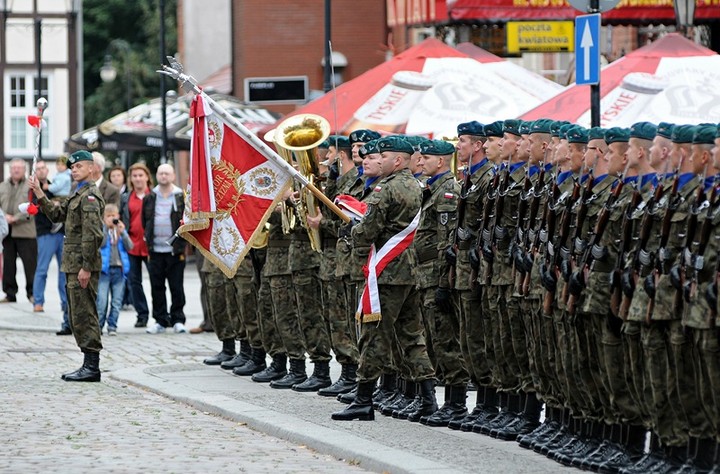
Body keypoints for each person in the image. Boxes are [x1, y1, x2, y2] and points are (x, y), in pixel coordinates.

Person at [332, 135, 436, 422]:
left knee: (373, 335)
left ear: (398, 160)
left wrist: (351, 233)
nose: (378, 160)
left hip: (386, 273)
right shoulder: (416, 186)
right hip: (409, 270)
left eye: (384, 156)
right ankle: (428, 399)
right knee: (412, 336)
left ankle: (363, 399)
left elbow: (368, 230)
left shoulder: (385, 189)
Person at [28, 150, 105, 382]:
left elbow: (93, 236)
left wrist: (87, 267)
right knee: (77, 314)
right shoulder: (77, 194)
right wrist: (40, 193)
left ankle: (92, 366)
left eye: (79, 166)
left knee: (85, 314)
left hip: (81, 265)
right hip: (72, 264)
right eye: (72, 167)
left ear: (92, 169)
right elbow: (57, 214)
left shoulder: (90, 197)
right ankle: (87, 363)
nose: (74, 170)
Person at [142, 163, 188, 334]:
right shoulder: (150, 197)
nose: (163, 176)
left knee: (177, 286)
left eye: (167, 173)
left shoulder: (180, 196)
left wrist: (182, 244)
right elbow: (144, 221)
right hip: (155, 250)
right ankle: (160, 320)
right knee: (157, 286)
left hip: (175, 250)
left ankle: (178, 319)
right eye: (160, 173)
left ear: (173, 176)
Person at [31, 160, 68, 330]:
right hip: (45, 233)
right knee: (42, 269)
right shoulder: (33, 190)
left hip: (61, 233)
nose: (41, 171)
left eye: (43, 168)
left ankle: (65, 302)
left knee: (64, 270)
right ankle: (38, 301)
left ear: (47, 170)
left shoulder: (56, 186)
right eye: (38, 169)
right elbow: (33, 208)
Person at [0, 158, 37, 303]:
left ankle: (32, 293)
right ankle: (10, 293)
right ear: (10, 170)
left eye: (19, 168)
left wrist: (15, 218)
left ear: (24, 170)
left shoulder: (31, 187)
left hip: (25, 231)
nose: (16, 170)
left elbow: (33, 207)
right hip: (7, 232)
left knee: (30, 264)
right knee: (8, 264)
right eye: (13, 168)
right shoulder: (2, 186)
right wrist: (4, 218)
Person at [120, 162, 152, 327]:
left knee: (156, 280)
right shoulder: (126, 198)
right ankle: (142, 314)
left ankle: (161, 315)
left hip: (150, 245)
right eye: (135, 176)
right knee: (134, 281)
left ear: (147, 177)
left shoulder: (153, 195)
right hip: (132, 244)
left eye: (141, 175)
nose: (138, 178)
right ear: (131, 179)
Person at [97, 203, 132, 336]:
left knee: (117, 301)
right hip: (105, 270)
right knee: (102, 301)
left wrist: (123, 233)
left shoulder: (121, 231)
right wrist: (106, 228)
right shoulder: (102, 230)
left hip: (119, 270)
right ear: (103, 218)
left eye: (114, 216)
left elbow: (130, 246)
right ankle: (99, 325)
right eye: (108, 216)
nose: (112, 218)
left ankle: (112, 325)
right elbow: (102, 243)